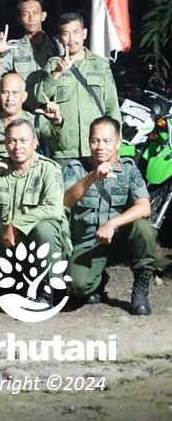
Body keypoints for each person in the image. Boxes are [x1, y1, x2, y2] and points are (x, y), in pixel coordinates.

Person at [0, 120, 70, 299]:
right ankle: (20, 282)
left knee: (45, 228)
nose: (17, 146)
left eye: (23, 140)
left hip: (43, 243)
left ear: (35, 142)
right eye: (11, 141)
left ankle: (46, 291)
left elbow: (53, 208)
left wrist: (15, 225)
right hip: (10, 243)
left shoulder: (48, 169)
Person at [63, 117, 157, 315]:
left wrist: (113, 223)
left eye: (106, 141)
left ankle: (140, 289)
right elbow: (66, 200)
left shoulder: (129, 169)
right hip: (87, 243)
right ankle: (98, 280)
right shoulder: (75, 168)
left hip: (118, 239)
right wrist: (92, 176)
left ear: (118, 143)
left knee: (144, 228)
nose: (100, 147)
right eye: (95, 140)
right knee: (77, 287)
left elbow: (144, 207)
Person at [37, 13, 121, 163]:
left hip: (97, 149)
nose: (71, 38)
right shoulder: (53, 64)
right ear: (59, 38)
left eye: (76, 32)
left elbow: (112, 106)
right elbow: (39, 97)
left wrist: (115, 147)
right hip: (64, 149)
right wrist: (57, 72)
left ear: (84, 33)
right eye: (66, 34)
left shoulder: (100, 65)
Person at [0, 0, 62, 108]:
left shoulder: (58, 46)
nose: (31, 18)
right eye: (25, 14)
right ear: (19, 19)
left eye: (35, 13)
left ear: (43, 16)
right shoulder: (13, 47)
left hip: (52, 110)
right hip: (24, 112)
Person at [0, 72, 56, 166]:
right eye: (5, 92)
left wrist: (57, 121)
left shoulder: (36, 122)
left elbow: (61, 146)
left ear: (24, 96)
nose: (10, 98)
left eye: (15, 93)